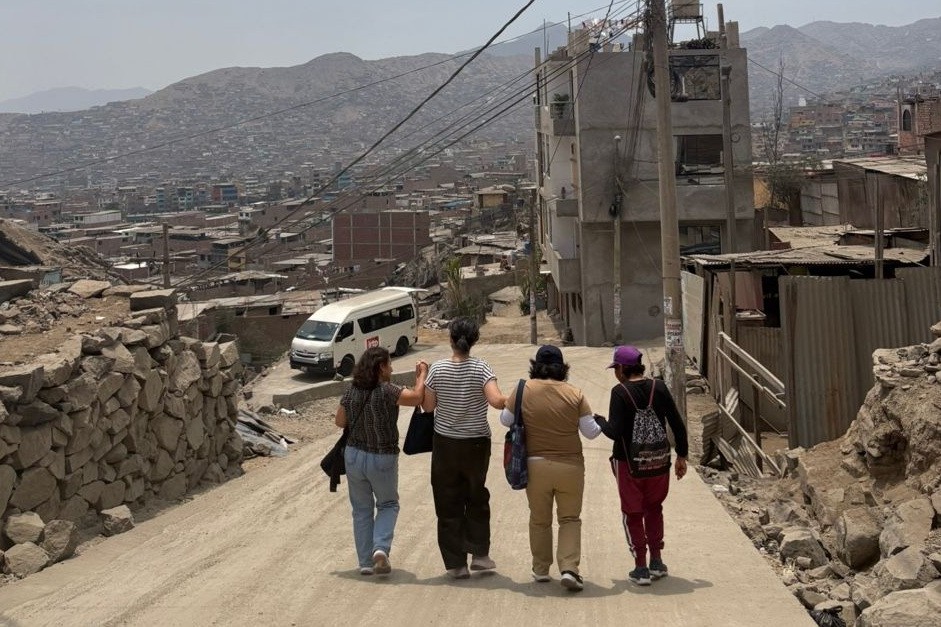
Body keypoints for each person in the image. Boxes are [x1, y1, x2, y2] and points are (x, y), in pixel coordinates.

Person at [500, 345, 602, 592]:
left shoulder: (522, 389)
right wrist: (600, 421)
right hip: (570, 467)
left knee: (539, 519)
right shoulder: (575, 394)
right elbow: (590, 432)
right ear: (562, 368)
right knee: (569, 518)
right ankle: (569, 568)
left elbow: (505, 420)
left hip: (535, 466)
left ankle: (541, 569)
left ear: (535, 366)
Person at [595, 345, 688, 586]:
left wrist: (600, 421)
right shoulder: (660, 387)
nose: (615, 373)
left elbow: (615, 432)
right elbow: (677, 424)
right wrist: (681, 456)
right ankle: (656, 561)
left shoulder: (619, 392)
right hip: (658, 463)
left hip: (629, 464)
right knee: (654, 508)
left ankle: (640, 567)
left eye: (616, 369)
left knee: (633, 513)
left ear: (622, 368)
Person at [423, 317, 506, 579]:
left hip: (445, 444)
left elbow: (428, 407)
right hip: (476, 444)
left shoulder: (437, 369)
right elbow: (496, 401)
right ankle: (480, 555)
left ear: (451, 339)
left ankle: (456, 564)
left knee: (447, 501)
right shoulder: (482, 367)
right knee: (476, 496)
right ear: (474, 340)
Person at [334, 347, 428, 576]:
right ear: (381, 367)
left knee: (361, 510)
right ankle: (380, 548)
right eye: (389, 364)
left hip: (354, 456)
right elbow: (417, 398)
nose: (392, 369)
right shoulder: (388, 390)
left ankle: (366, 562)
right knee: (388, 504)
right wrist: (422, 375)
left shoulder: (351, 391)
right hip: (382, 456)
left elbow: (339, 421)